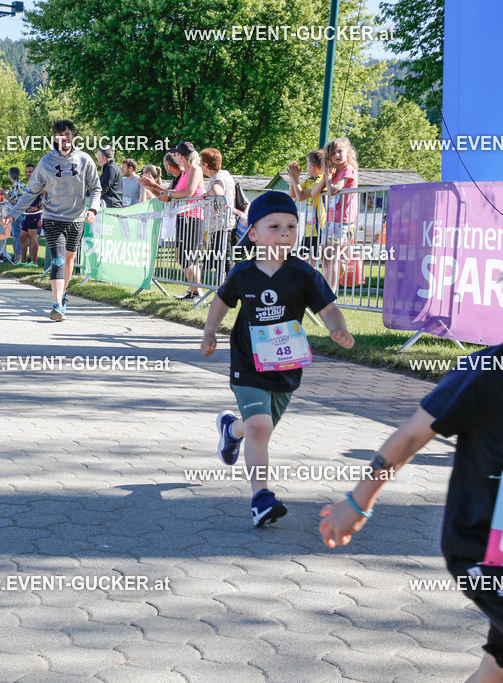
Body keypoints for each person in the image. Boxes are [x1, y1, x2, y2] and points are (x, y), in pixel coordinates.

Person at [319, 340, 503, 683]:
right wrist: (359, 501)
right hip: (484, 551)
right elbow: (412, 435)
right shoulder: (487, 371)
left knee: (495, 669)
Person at [201, 191, 354, 527]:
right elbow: (221, 302)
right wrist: (210, 332)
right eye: (274, 226)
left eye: (291, 226)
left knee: (257, 427)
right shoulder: (243, 273)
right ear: (253, 234)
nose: (285, 232)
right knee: (261, 425)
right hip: (247, 361)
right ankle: (261, 498)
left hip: (286, 366)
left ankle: (231, 430)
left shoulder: (303, 274)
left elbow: (327, 308)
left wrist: (337, 328)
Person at [3, 119, 101, 321]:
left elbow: (97, 188)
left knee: (69, 261)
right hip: (52, 217)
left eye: (67, 134)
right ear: (54, 137)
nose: (64, 138)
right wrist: (13, 213)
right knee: (57, 259)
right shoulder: (45, 162)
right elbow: (31, 192)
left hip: (76, 218)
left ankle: (62, 295)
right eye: (60, 134)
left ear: (73, 135)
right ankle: (56, 304)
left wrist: (93, 209)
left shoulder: (85, 159)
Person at [311, 137, 359, 290]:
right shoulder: (333, 172)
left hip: (342, 219)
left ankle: (330, 289)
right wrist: (326, 176)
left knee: (331, 255)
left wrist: (329, 178)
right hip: (331, 219)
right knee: (327, 255)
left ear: (348, 153)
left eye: (340, 151)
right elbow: (314, 192)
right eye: (333, 153)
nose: (337, 155)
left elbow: (332, 191)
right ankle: (328, 286)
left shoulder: (348, 170)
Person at [162, 141, 206, 300]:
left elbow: (189, 191)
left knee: (187, 256)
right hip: (183, 216)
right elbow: (178, 191)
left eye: (175, 155)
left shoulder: (195, 169)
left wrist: (170, 195)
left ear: (180, 156)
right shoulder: (186, 172)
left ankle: (198, 292)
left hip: (193, 218)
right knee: (183, 256)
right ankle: (192, 290)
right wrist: (167, 194)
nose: (174, 157)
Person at [200, 147, 237, 275]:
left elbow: (217, 191)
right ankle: (228, 286)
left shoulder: (219, 177)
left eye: (200, 163)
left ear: (205, 165)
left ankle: (233, 287)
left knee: (225, 260)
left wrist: (207, 194)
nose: (199, 166)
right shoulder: (224, 175)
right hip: (222, 224)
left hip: (222, 224)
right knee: (220, 257)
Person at [287, 150, 327, 269]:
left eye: (307, 165)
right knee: (305, 259)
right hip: (309, 228)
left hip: (318, 228)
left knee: (312, 261)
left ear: (313, 167)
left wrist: (295, 179)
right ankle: (306, 285)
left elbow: (301, 196)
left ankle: (312, 285)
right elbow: (293, 194)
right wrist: (293, 178)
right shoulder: (310, 180)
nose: (306, 168)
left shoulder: (320, 180)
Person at [20, 163, 42, 266]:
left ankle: (34, 262)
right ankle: (23, 260)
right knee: (22, 236)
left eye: (30, 172)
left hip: (36, 215)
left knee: (33, 238)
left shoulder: (39, 183)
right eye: (26, 172)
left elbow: (47, 195)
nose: (28, 174)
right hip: (27, 214)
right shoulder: (28, 184)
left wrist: (38, 207)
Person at [6, 166, 28, 263]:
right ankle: (17, 256)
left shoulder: (16, 186)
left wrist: (4, 194)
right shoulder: (20, 185)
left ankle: (18, 257)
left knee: (16, 235)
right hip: (20, 214)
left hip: (17, 214)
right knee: (17, 235)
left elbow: (14, 202)